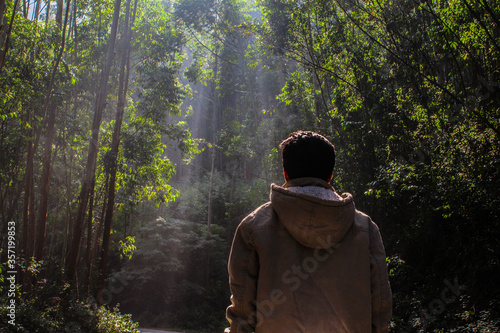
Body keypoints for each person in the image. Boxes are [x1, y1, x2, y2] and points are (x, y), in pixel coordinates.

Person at [225, 130, 392, 333]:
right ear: (330, 176)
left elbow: (241, 316)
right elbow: (381, 312)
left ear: (286, 173)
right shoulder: (366, 230)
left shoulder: (253, 227)